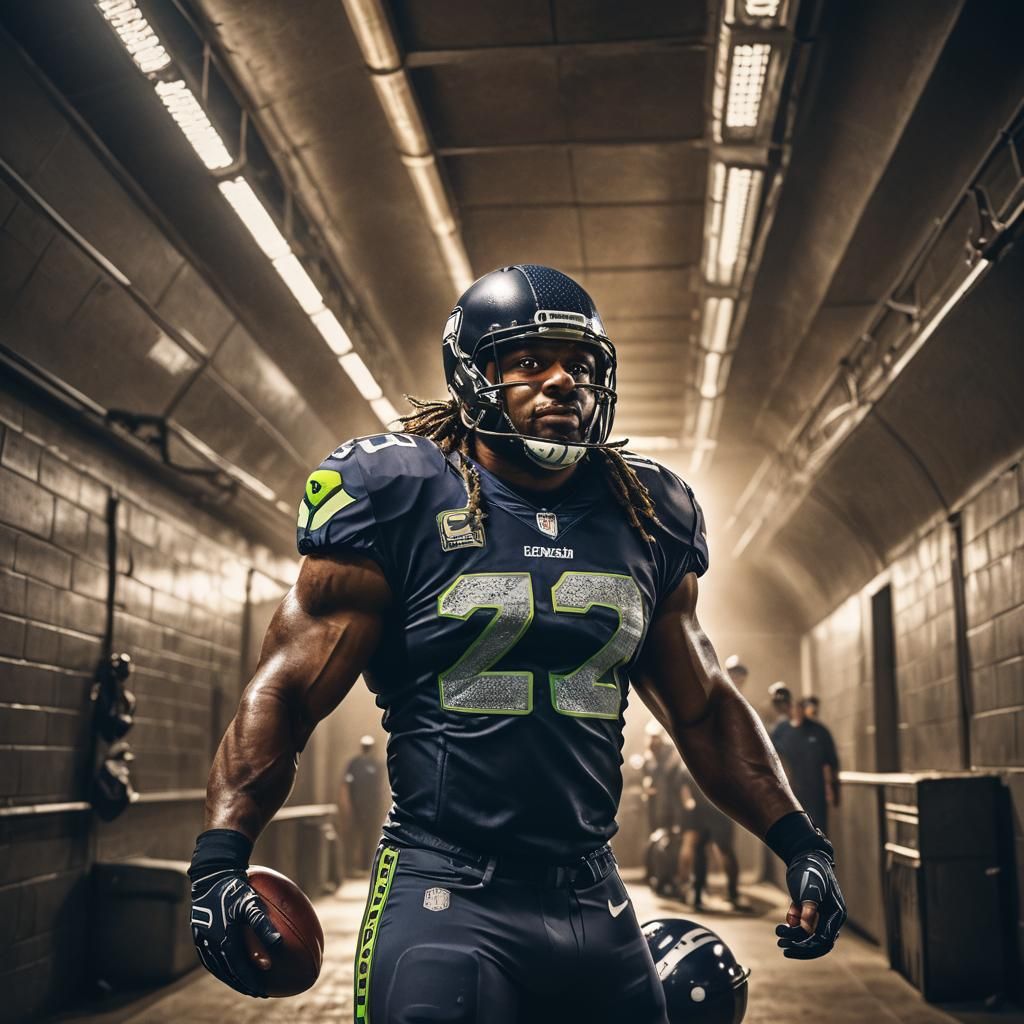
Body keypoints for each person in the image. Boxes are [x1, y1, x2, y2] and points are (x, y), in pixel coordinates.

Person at [186, 265, 846, 1021]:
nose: (565, 381)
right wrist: (217, 862)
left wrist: (801, 844)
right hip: (447, 890)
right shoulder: (398, 494)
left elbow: (703, 711)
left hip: (594, 891)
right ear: (474, 377)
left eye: (583, 366)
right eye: (532, 362)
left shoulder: (646, 513)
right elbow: (286, 690)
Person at [771, 694, 840, 833]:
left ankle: (819, 854)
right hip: (791, 791)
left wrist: (833, 790)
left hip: (815, 791)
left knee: (818, 829)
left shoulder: (819, 731)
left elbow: (831, 762)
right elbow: (771, 755)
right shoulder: (782, 731)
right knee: (795, 831)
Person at [342, 735, 389, 873]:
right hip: (356, 805)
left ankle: (366, 865)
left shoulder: (377, 764)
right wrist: (347, 804)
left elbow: (382, 787)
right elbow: (346, 784)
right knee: (355, 834)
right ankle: (352, 866)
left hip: (372, 806)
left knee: (370, 834)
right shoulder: (354, 763)